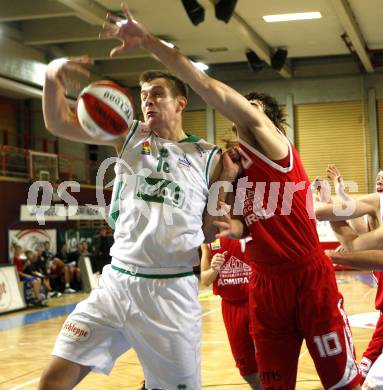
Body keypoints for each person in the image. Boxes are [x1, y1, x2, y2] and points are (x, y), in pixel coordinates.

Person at [99, 4, 361, 389]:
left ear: (266, 118)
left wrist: (150, 42)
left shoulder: (275, 146)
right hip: (266, 285)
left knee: (342, 383)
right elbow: (239, 226)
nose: (241, 109)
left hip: (307, 276)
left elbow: (212, 88)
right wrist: (225, 220)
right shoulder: (231, 167)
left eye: (251, 107)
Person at [39, 33, 237, 390]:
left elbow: (210, 230)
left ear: (180, 102)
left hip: (171, 289)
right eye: (143, 95)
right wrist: (53, 75)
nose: (148, 101)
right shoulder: (127, 135)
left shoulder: (209, 157)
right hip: (117, 282)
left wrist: (226, 189)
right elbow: (57, 122)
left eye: (157, 94)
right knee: (52, 381)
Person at [315, 168, 383, 387]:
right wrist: (333, 196)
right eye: (378, 178)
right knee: (368, 376)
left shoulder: (376, 205)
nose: (380, 182)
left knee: (369, 381)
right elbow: (356, 234)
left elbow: (354, 245)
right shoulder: (375, 217)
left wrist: (334, 257)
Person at [201, 237, 261, 389]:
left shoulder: (249, 228)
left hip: (257, 303)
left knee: (266, 357)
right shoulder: (209, 240)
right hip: (231, 308)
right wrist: (214, 269)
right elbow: (205, 280)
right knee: (245, 365)